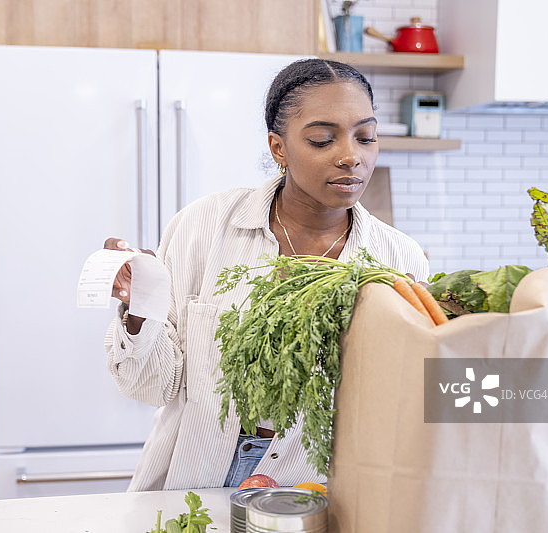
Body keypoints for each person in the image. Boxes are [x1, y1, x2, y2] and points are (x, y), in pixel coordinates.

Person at [104, 58, 429, 491]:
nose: (352, 156)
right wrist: (141, 306)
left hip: (310, 491)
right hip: (191, 480)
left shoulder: (397, 259)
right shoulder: (203, 226)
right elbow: (151, 387)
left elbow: (398, 406)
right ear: (279, 148)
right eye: (321, 139)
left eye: (366, 137)